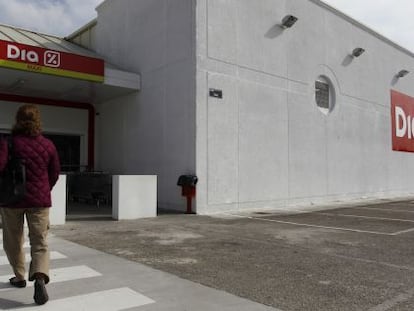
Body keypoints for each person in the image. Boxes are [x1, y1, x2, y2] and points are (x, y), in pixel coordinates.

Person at [0, 104, 60, 305]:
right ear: (37, 121)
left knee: (13, 240)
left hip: (11, 200)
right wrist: (44, 189)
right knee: (40, 240)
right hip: (39, 201)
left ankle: (19, 277)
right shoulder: (48, 145)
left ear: (18, 120)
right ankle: (40, 276)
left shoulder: (8, 143)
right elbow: (54, 173)